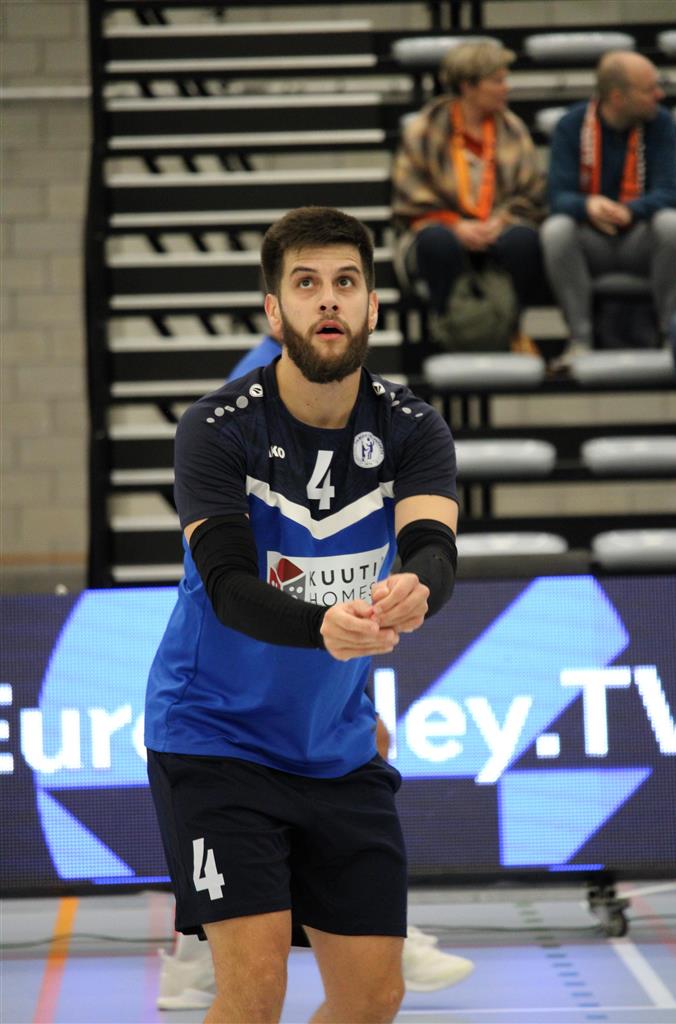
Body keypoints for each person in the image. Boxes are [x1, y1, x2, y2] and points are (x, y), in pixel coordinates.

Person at [145, 206, 461, 1023]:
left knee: (372, 998)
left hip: (334, 747)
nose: (328, 299)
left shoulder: (412, 428)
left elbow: (432, 547)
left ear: (372, 306)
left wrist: (418, 589)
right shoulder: (215, 429)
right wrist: (321, 625)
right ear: (272, 310)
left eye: (346, 282)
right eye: (306, 283)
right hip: (215, 741)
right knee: (255, 995)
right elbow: (225, 583)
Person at [391, 40, 547, 353]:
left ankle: (508, 329)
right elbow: (410, 194)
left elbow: (531, 194)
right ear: (468, 86)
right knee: (437, 242)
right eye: (497, 81)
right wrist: (455, 225)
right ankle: (448, 334)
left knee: (523, 241)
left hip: (498, 229)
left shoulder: (513, 129)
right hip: (440, 229)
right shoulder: (425, 128)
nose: (505, 88)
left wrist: (501, 221)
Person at [540, 50, 676, 369]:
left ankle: (672, 334)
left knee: (673, 223)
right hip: (593, 243)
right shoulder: (571, 125)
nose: (659, 95)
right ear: (618, 97)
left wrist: (631, 210)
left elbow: (671, 191)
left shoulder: (659, 123)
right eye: (649, 89)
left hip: (640, 240)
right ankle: (580, 340)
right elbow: (557, 197)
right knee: (556, 230)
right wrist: (588, 205)